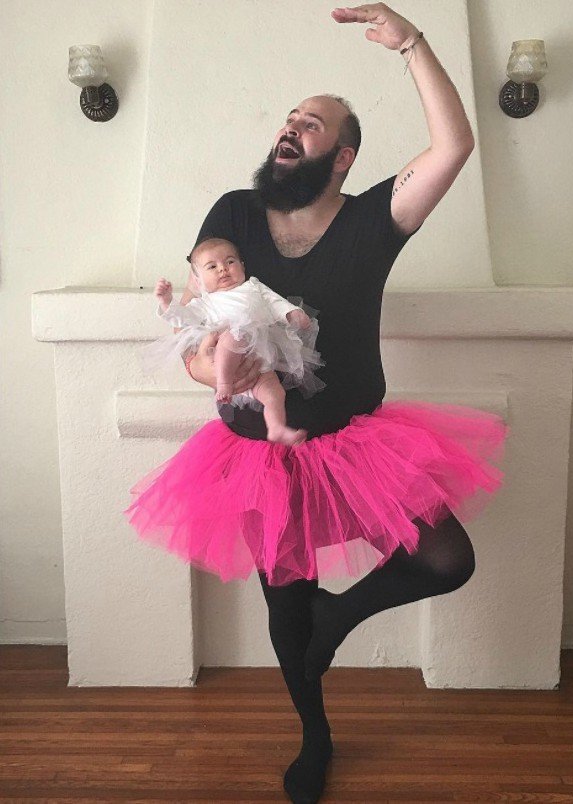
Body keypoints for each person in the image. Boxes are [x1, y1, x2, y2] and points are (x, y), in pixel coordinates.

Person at [126, 5, 510, 802]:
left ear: (343, 156)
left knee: (446, 558)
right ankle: (315, 736)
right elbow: (200, 329)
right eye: (289, 118)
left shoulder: (377, 217)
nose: (290, 128)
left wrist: (411, 43)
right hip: (258, 447)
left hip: (356, 442)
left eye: (312, 123)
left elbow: (454, 147)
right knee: (286, 599)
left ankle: (341, 619)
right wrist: (214, 373)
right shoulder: (234, 213)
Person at [147, 237, 325, 445]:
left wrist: (292, 313)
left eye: (230, 261)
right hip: (228, 360)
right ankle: (224, 384)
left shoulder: (254, 287)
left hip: (260, 363)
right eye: (212, 267)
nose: (223, 269)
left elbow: (275, 302)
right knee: (234, 337)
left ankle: (276, 427)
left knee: (275, 393)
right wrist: (167, 301)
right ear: (198, 281)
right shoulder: (205, 303)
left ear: (243, 266)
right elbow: (183, 318)